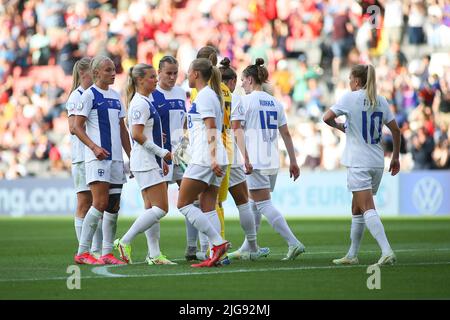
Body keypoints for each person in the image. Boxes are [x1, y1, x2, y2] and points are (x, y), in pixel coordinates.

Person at [323, 64, 400, 266]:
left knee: (366, 207)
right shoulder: (380, 100)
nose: (349, 82)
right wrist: (396, 157)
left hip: (358, 162)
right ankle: (352, 254)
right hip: (377, 161)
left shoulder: (350, 98)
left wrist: (340, 127)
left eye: (350, 79)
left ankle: (386, 250)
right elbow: (396, 131)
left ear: (357, 81)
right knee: (356, 207)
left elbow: (326, 117)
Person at [229, 58, 305, 261]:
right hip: (272, 159)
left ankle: (293, 242)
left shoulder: (244, 101)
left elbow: (236, 129)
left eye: (243, 80)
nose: (241, 84)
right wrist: (293, 161)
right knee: (254, 203)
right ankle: (248, 247)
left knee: (263, 204)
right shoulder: (276, 103)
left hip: (255, 159)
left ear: (251, 80)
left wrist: (245, 158)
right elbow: (286, 134)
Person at [114, 63, 176, 265]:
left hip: (147, 161)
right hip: (146, 160)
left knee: (150, 209)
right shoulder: (140, 103)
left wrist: (160, 151)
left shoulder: (144, 101)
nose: (155, 80)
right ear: (140, 80)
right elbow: (137, 134)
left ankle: (154, 254)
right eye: (151, 77)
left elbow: (147, 132)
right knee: (161, 208)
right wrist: (162, 153)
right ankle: (125, 241)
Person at [73, 55, 131, 265]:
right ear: (96, 73)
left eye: (114, 69)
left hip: (116, 159)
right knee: (99, 202)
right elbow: (76, 127)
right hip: (97, 158)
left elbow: (122, 129)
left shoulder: (116, 96)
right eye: (108, 70)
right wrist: (94, 147)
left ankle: (107, 253)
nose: (113, 72)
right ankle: (83, 252)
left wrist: (131, 156)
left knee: (113, 206)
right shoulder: (89, 96)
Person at [176, 57, 230, 268]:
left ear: (196, 74)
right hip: (212, 157)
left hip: (206, 158)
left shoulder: (205, 96)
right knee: (208, 206)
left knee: (183, 203)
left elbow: (212, 128)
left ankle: (217, 244)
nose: (187, 76)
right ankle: (215, 254)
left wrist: (214, 157)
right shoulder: (209, 95)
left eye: (188, 72)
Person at [218, 57, 270, 262]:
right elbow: (236, 129)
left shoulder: (208, 94)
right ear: (230, 82)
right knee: (243, 203)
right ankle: (253, 246)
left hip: (213, 153)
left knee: (207, 203)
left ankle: (211, 248)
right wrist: (245, 157)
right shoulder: (235, 98)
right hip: (232, 153)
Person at [148, 56, 187, 261]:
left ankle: (193, 248)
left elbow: (184, 121)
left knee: (192, 199)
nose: (172, 77)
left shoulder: (181, 92)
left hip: (180, 153)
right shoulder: (152, 94)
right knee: (157, 206)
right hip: (160, 155)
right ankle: (153, 252)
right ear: (159, 72)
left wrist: (185, 143)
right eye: (168, 73)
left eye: (175, 73)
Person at [66, 57, 102, 258]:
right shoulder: (76, 97)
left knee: (97, 203)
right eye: (93, 73)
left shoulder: (91, 95)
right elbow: (73, 128)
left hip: (92, 156)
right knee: (84, 202)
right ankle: (85, 248)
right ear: (83, 74)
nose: (96, 76)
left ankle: (95, 250)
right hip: (81, 156)